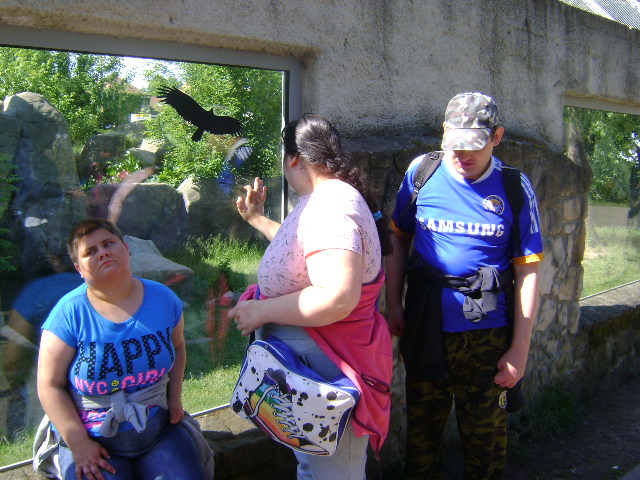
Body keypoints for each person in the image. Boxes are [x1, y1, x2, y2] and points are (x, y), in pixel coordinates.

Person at [385, 93, 544, 479]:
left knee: (485, 445)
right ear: (444, 132)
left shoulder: (514, 187)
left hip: (487, 337)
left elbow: (528, 272)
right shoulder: (421, 173)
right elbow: (398, 238)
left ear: (497, 137)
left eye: (474, 144)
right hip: (426, 326)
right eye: (455, 143)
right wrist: (394, 304)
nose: (462, 154)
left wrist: (519, 350)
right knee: (421, 441)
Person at [228, 114, 393, 480]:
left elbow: (336, 297)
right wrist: (257, 219)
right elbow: (303, 251)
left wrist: (260, 311)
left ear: (293, 159)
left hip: (327, 365)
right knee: (314, 468)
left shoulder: (330, 207)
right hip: (312, 368)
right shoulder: (323, 199)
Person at [34, 218, 212, 480]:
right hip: (94, 442)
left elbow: (178, 347)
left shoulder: (164, 298)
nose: (103, 252)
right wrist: (79, 444)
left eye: (108, 244)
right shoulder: (68, 314)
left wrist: (175, 398)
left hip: (159, 430)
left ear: (126, 249)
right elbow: (49, 385)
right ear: (79, 269)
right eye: (90, 251)